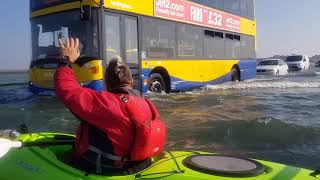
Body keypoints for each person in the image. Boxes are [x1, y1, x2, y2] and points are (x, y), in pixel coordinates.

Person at [54, 37, 166, 175]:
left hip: (109, 169)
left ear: (106, 81)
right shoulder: (147, 104)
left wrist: (66, 61)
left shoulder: (105, 103)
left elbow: (66, 89)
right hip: (140, 165)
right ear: (131, 81)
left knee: (58, 158)